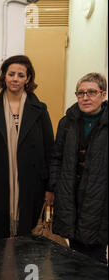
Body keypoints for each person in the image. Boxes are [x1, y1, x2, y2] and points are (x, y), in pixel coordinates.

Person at [0, 55, 54, 241]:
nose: (15, 79)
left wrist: (50, 186)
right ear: (4, 76)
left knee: (29, 243)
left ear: (28, 79)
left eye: (20, 75)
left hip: (32, 186)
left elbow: (50, 150)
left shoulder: (40, 110)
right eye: (11, 74)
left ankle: (27, 271)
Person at [49, 73, 107, 264]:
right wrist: (54, 187)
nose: (85, 97)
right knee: (73, 253)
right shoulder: (67, 122)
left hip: (100, 199)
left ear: (103, 94)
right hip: (70, 196)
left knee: (95, 255)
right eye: (80, 93)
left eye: (91, 92)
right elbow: (56, 158)